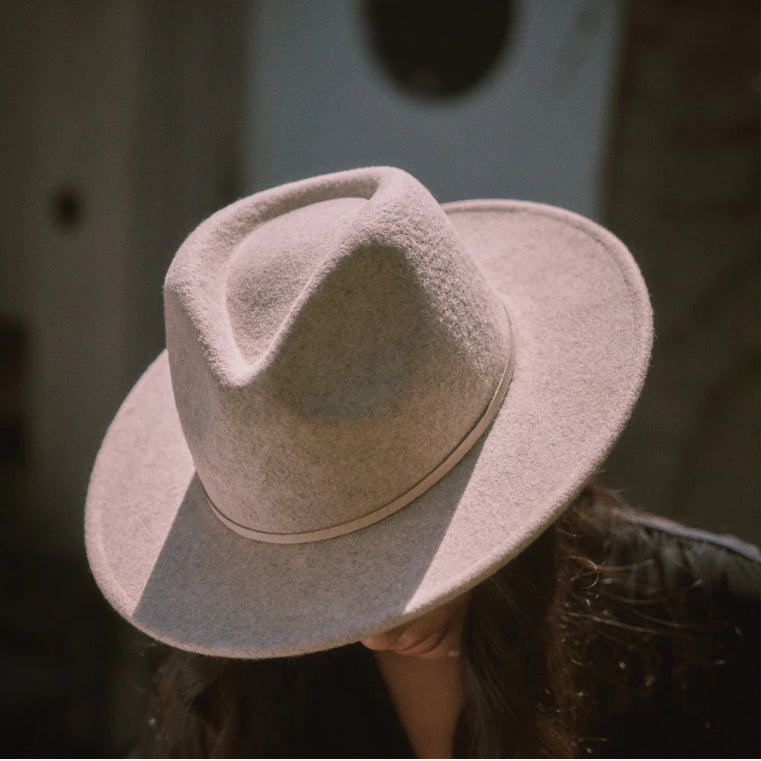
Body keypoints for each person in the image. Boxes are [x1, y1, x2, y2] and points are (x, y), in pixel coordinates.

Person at [85, 167, 760, 758]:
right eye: (333, 556)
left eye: (398, 531)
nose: (378, 635)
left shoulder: (715, 621)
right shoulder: (246, 684)